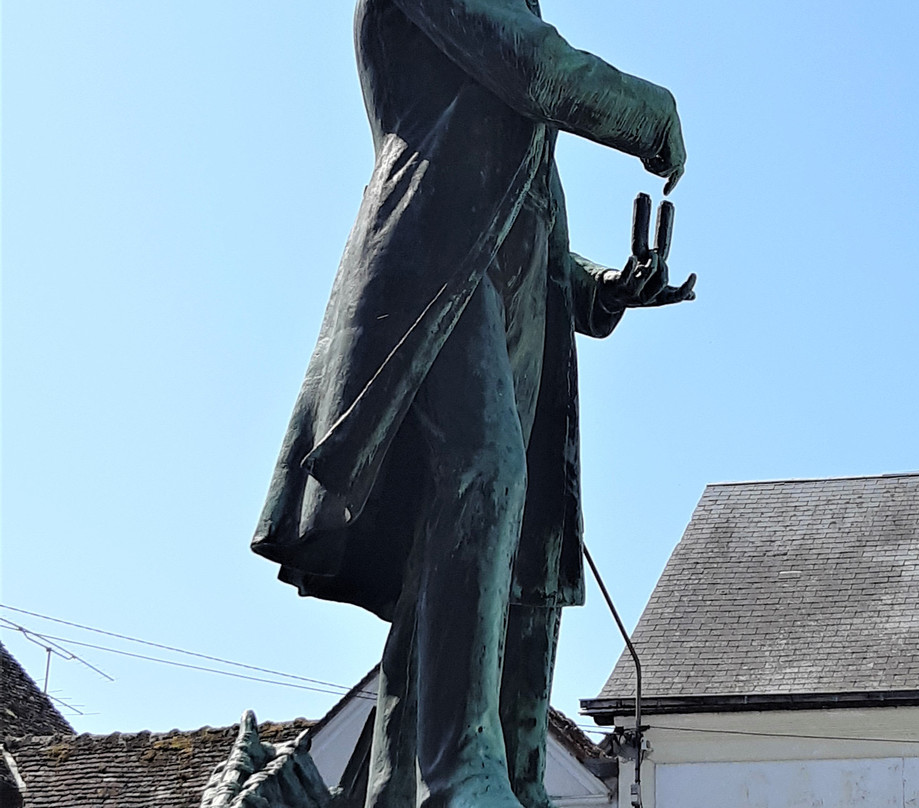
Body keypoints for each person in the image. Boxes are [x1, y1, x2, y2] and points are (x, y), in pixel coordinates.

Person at [252, 1, 694, 807]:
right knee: (483, 472)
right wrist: (648, 111)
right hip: (426, 279)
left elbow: (517, 204)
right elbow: (533, 65)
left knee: (497, 543)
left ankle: (429, 783)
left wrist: (602, 291)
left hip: (503, 300)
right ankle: (461, 771)